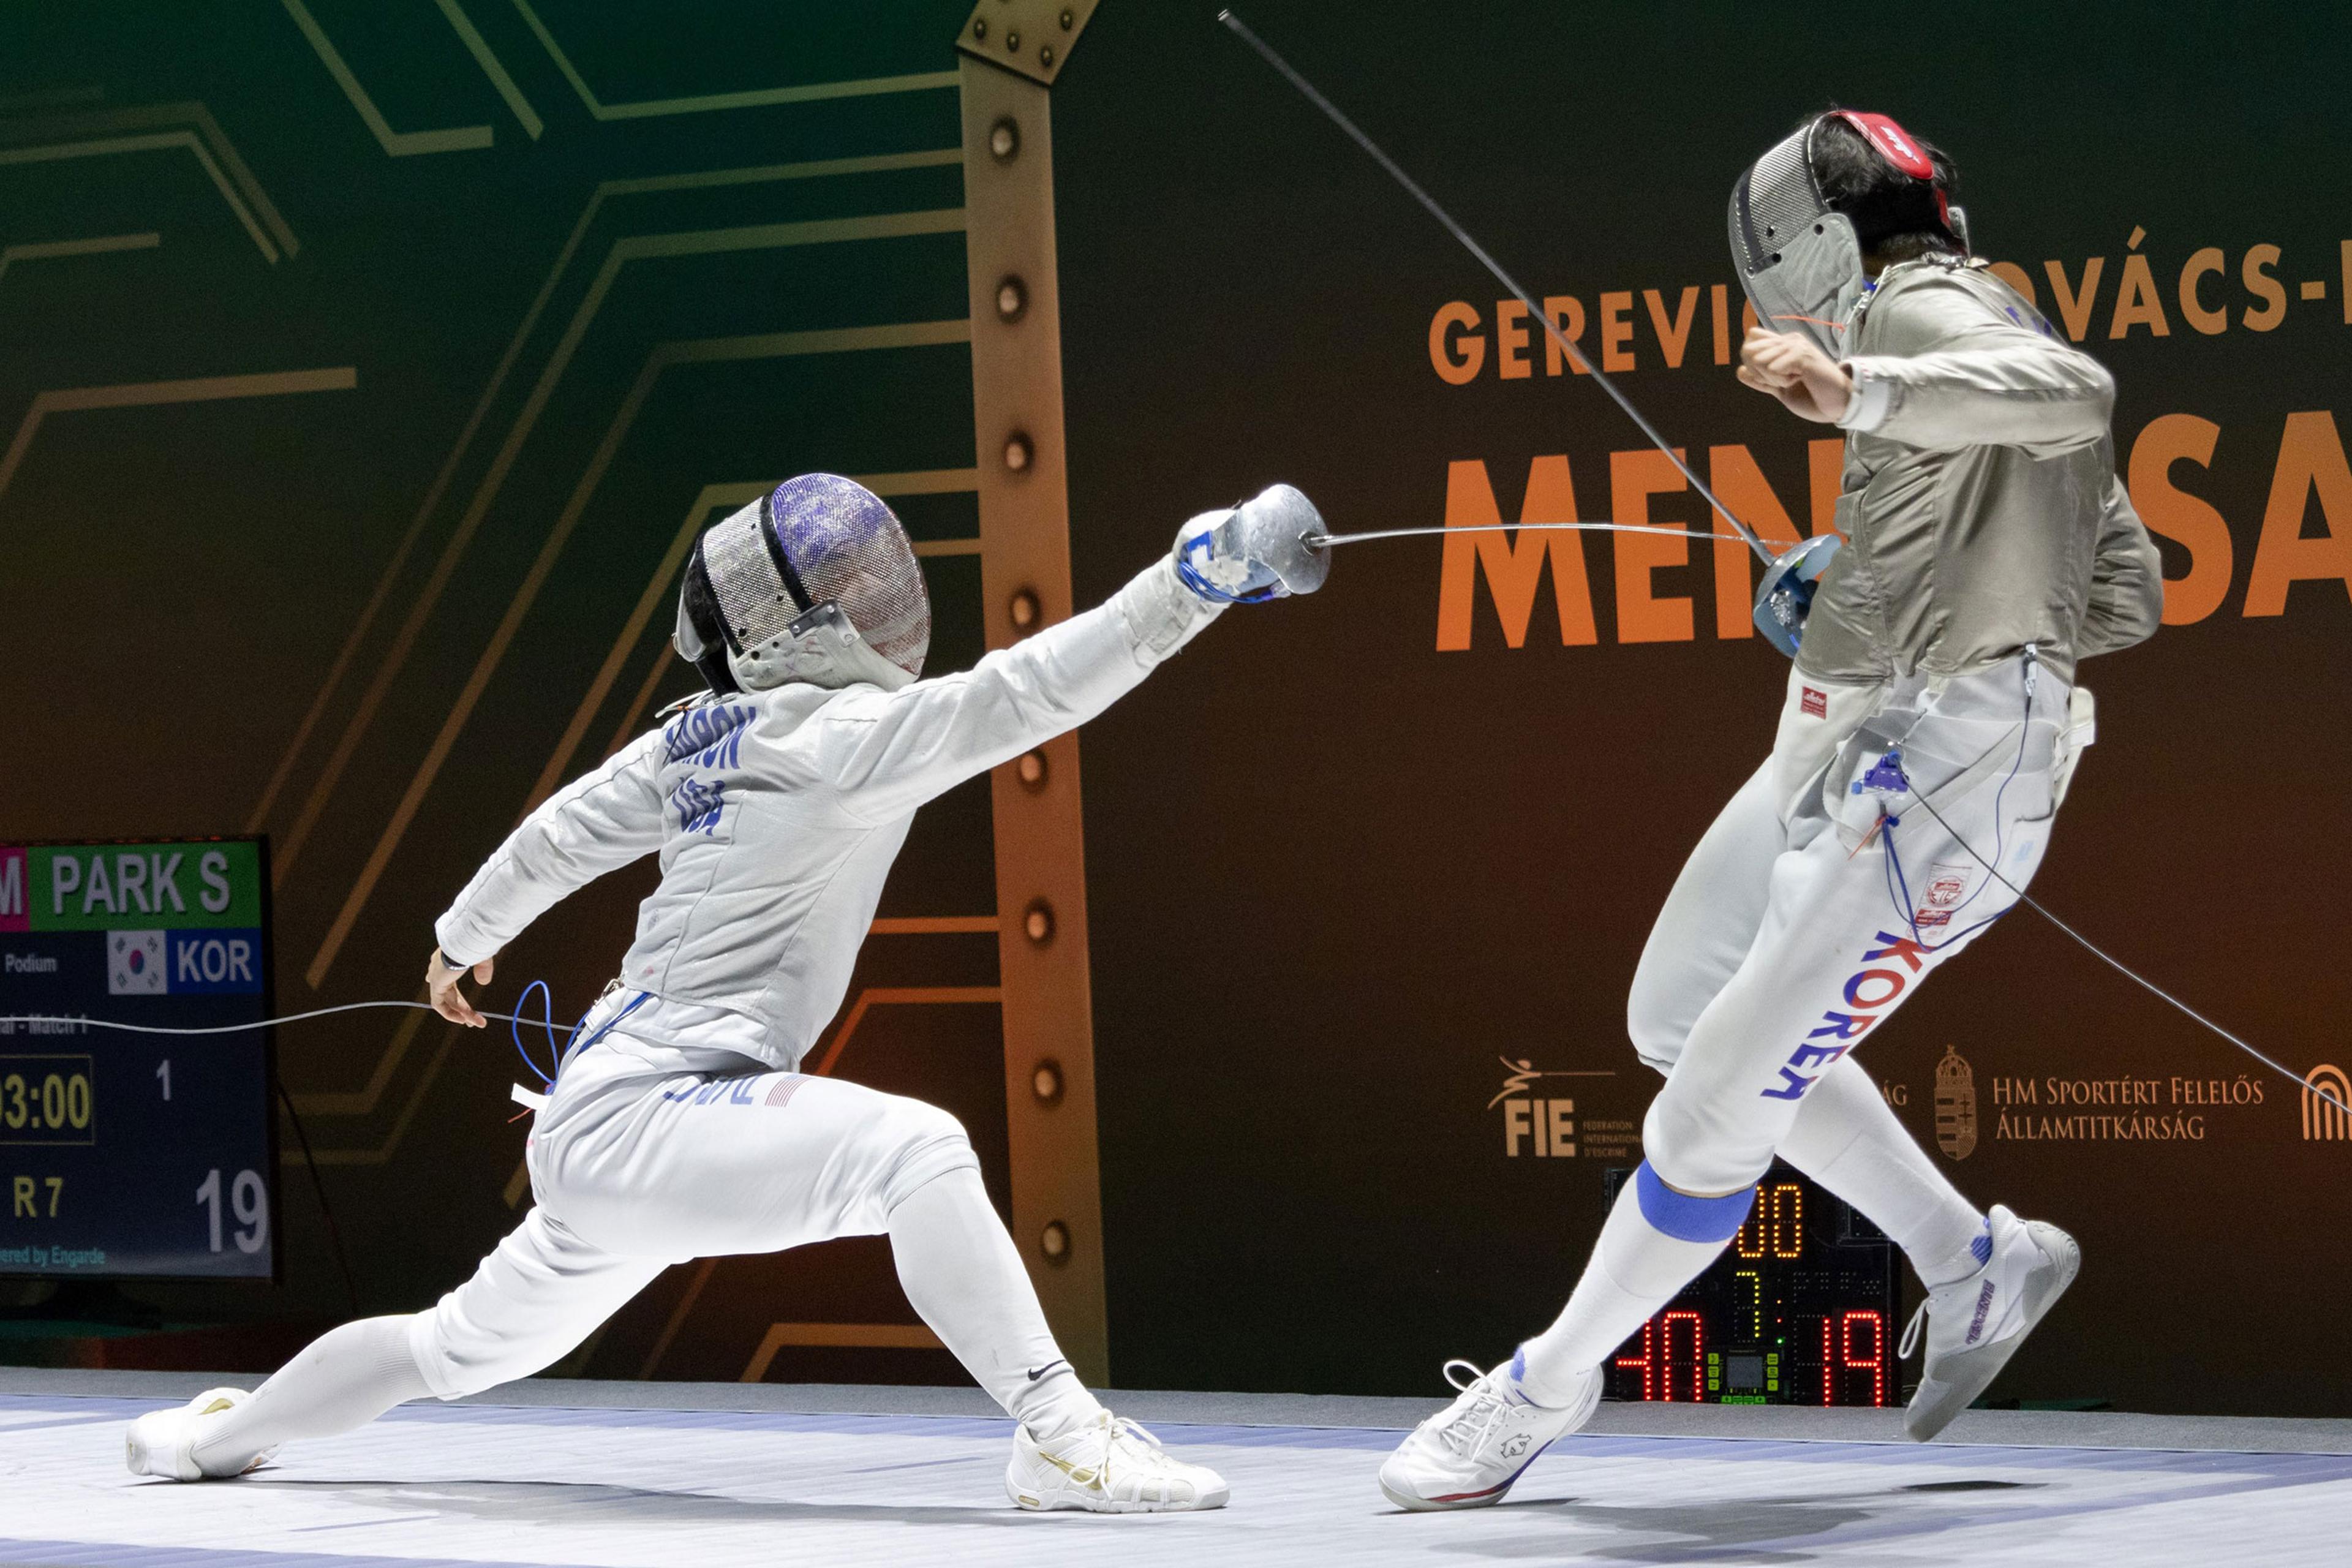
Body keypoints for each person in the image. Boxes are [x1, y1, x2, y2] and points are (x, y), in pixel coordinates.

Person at [127, 472, 1326, 1513]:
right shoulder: (847, 736)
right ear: (793, 625)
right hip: (651, 1110)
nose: (878, 597)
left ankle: (209, 1439)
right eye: (848, 582)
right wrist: (1196, 578)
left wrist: (458, 941)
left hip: (617, 1114)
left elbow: (554, 838)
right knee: (917, 1149)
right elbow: (1028, 689)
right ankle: (1062, 1436)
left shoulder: (699, 738)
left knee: (448, 1345)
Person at [1379, 110, 2163, 1509]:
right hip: (1871, 734)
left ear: (1804, 241)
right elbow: (2124, 596)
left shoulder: (1920, 316)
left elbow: (2075, 391)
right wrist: (1859, 584)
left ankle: (1546, 1383)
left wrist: (1854, 393)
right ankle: (1977, 1265)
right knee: (1677, 1008)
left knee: (1710, 1109)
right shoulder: (1966, 316)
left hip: (1948, 784)